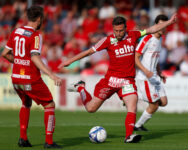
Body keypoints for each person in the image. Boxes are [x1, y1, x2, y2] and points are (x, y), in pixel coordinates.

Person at [58, 14, 177, 143]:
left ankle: (129, 136)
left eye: (121, 30)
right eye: (116, 31)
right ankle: (81, 88)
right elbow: (88, 52)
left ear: (126, 28)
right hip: (110, 81)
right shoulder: (108, 40)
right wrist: (69, 61)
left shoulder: (133, 35)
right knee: (91, 109)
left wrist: (170, 22)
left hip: (127, 81)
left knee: (132, 104)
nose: (118, 33)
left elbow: (152, 29)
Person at [1, 6, 62, 148]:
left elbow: (4, 54)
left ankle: (23, 139)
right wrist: (52, 75)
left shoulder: (16, 32)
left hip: (16, 78)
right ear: (39, 19)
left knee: (26, 103)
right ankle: (49, 142)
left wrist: (19, 62)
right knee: (50, 105)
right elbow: (34, 57)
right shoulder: (36, 35)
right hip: (30, 78)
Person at [134, 14, 169, 131]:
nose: (163, 28)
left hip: (154, 76)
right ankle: (138, 125)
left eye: (165, 25)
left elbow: (156, 59)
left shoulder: (161, 40)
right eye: (160, 25)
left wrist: (160, 73)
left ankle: (138, 95)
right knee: (154, 105)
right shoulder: (147, 39)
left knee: (163, 102)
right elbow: (135, 57)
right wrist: (146, 71)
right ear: (155, 26)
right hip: (145, 77)